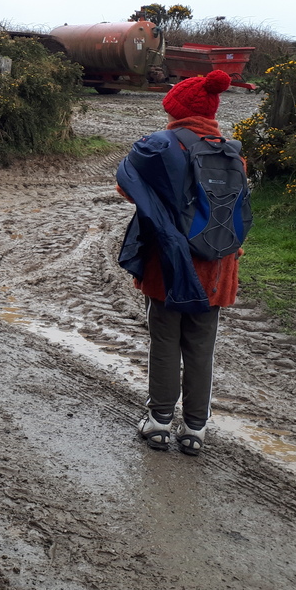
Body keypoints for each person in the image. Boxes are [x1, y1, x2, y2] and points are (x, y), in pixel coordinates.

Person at [115, 70, 243, 455]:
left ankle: (158, 424)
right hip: (217, 266)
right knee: (201, 349)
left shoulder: (162, 147)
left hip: (168, 266)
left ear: (178, 111)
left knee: (165, 343)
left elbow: (125, 187)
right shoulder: (231, 153)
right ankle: (195, 430)